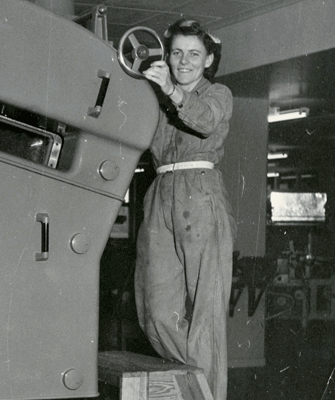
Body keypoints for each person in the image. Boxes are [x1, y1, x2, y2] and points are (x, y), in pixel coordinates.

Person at [134, 18, 236, 400]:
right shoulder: (157, 98)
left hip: (200, 193)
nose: (184, 60)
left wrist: (172, 92)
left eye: (194, 54)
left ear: (208, 59)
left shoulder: (218, 94)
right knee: (156, 312)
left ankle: (206, 394)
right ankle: (197, 383)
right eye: (176, 52)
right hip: (161, 191)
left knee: (206, 314)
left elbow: (206, 121)